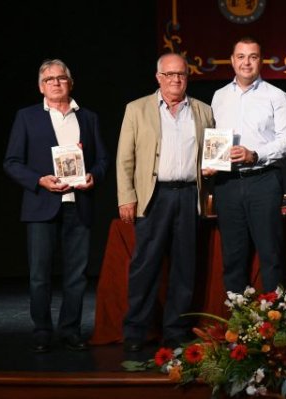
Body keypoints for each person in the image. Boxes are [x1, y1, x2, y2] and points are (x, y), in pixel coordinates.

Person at [3, 59, 109, 353]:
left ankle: (71, 330)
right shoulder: (27, 117)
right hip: (42, 205)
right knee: (39, 275)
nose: (56, 83)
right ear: (41, 87)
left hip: (79, 203)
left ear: (70, 83)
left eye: (61, 78)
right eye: (49, 79)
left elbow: (102, 160)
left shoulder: (88, 118)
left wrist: (93, 176)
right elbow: (11, 162)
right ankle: (41, 331)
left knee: (76, 276)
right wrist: (39, 180)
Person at [116, 53, 214, 351]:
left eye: (181, 74)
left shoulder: (203, 111)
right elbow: (125, 158)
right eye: (169, 74)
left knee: (185, 268)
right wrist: (126, 198)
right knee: (145, 266)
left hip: (188, 195)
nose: (176, 79)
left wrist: (211, 167)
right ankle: (136, 332)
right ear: (158, 78)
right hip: (153, 196)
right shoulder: (137, 109)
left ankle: (176, 331)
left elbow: (212, 152)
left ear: (188, 77)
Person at [209, 37, 286, 295]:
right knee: (233, 256)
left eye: (253, 56)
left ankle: (277, 323)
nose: (247, 62)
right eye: (241, 57)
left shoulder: (276, 96)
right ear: (233, 61)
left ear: (261, 61)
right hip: (227, 184)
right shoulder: (219, 96)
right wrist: (210, 162)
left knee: (270, 254)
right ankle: (238, 322)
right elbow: (212, 138)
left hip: (264, 181)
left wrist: (254, 154)